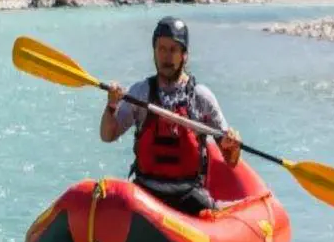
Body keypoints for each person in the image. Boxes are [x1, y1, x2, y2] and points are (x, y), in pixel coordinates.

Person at [98, 15, 243, 216]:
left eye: (173, 50)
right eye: (161, 49)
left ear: (185, 55)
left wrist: (233, 146)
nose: (166, 56)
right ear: (154, 52)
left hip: (188, 193)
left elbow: (231, 160)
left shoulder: (201, 97)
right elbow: (107, 135)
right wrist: (112, 105)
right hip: (145, 193)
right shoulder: (140, 93)